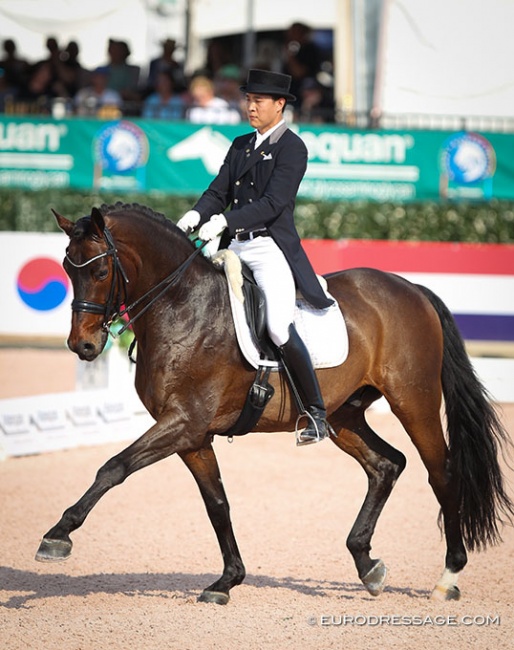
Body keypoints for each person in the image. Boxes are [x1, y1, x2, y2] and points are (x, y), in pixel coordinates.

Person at [176, 69, 333, 446]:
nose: (250, 106)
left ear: (279, 105)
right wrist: (197, 214)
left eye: (258, 101)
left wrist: (224, 219)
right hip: (232, 243)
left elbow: (273, 203)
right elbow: (218, 190)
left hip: (267, 247)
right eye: (248, 99)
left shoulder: (292, 148)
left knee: (278, 325)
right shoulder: (240, 144)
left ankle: (316, 412)